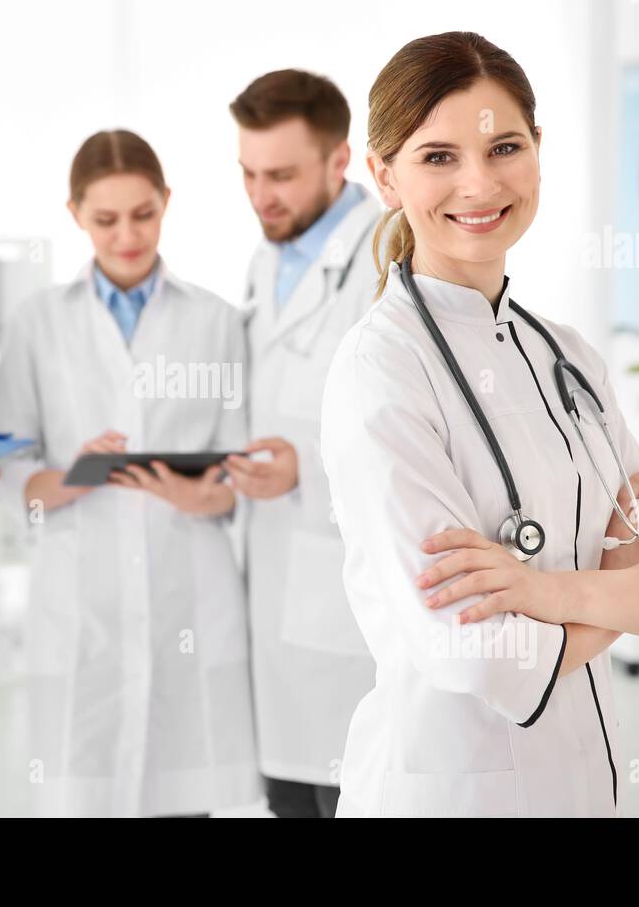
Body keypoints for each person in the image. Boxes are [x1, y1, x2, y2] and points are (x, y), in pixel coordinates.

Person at [321, 31, 639, 818]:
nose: (478, 183)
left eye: (503, 146)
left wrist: (545, 591)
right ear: (384, 176)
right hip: (447, 793)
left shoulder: (569, 357)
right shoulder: (380, 372)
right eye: (437, 156)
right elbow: (478, 649)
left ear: (537, 149)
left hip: (584, 786)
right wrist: (618, 584)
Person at [0, 130, 259, 817]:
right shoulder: (35, 323)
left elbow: (238, 469)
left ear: (167, 202)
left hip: (188, 594)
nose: (127, 235)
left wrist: (203, 497)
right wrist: (78, 475)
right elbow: (12, 481)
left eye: (143, 214)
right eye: (105, 220)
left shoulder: (217, 322)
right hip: (82, 609)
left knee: (185, 799)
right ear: (75, 213)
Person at [224, 70, 379, 817]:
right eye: (249, 175)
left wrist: (304, 468)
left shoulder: (392, 256)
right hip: (274, 588)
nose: (263, 196)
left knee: (354, 790)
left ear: (339, 160)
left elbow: (416, 432)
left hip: (349, 602)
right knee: (291, 794)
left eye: (281, 175)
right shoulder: (267, 258)